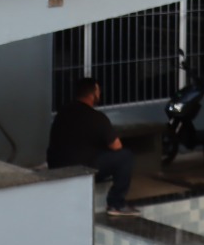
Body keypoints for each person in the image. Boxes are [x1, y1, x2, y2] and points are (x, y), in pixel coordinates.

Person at [46, 77, 138, 217]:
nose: (100, 94)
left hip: (56, 166)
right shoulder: (97, 117)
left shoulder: (62, 112)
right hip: (81, 170)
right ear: (93, 93)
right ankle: (116, 203)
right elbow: (117, 147)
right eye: (98, 91)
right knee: (125, 157)